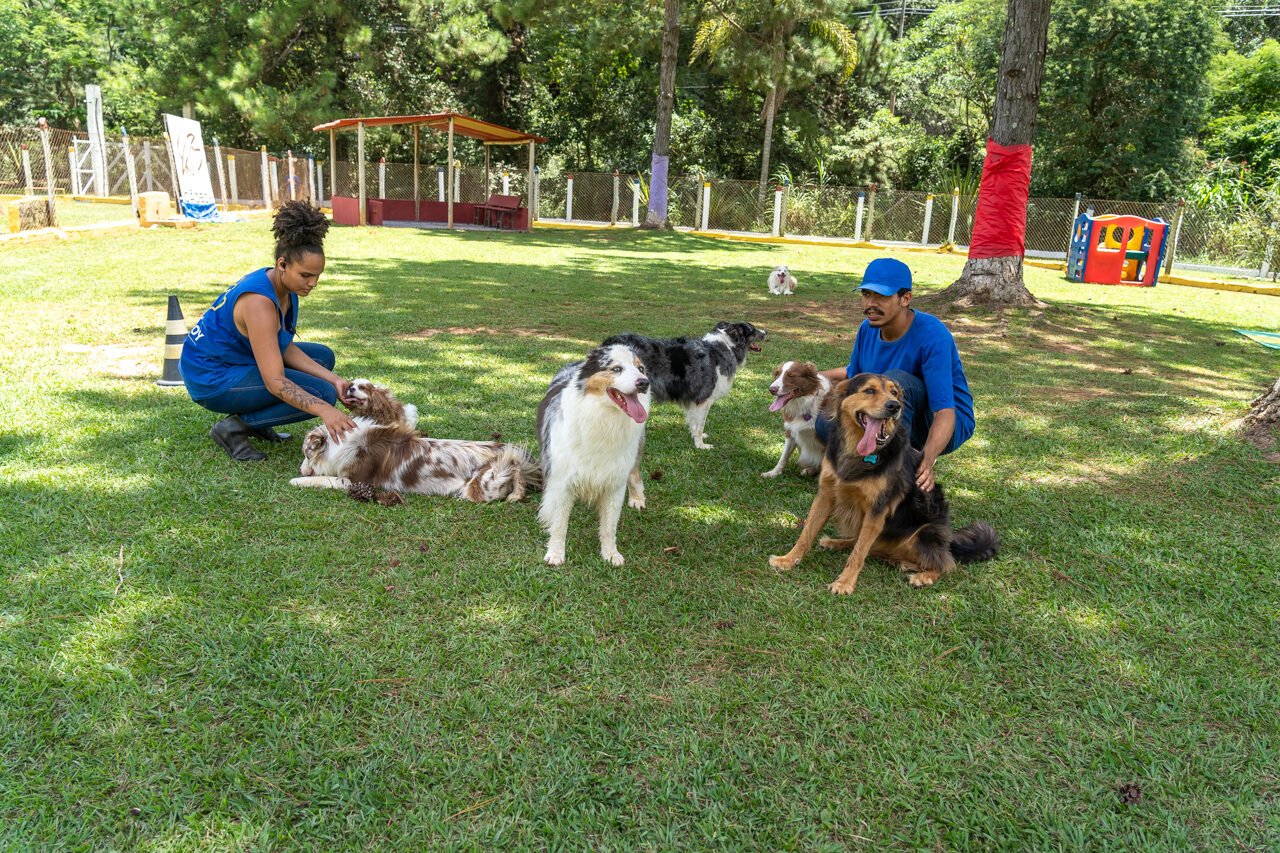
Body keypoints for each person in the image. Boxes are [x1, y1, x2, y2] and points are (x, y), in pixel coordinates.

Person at [180, 200, 357, 462]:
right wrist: (325, 410)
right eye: (306, 275)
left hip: (237, 361)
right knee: (322, 395)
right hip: (212, 378)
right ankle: (234, 428)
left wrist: (336, 379)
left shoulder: (284, 287)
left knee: (323, 359)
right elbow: (275, 382)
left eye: (317, 276)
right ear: (282, 264)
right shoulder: (259, 303)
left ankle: (259, 420)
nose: (313, 283)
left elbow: (282, 345)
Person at [816, 257, 975, 492]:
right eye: (866, 294)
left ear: (905, 299)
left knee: (896, 383)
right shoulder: (867, 328)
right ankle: (870, 461)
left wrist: (927, 460)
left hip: (942, 421)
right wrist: (814, 376)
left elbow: (944, 411)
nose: (870, 303)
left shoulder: (933, 335)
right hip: (887, 410)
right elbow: (854, 375)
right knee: (824, 424)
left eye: (881, 296)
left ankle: (894, 473)